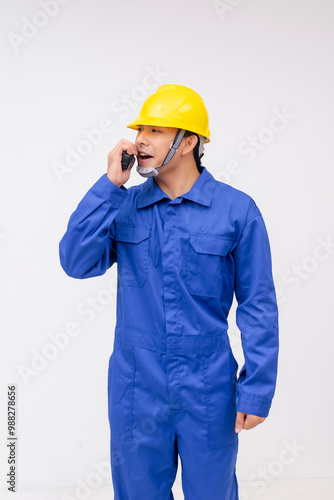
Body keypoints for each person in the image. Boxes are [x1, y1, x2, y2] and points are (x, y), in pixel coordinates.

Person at [59, 84, 279, 500]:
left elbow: (258, 304)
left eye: (157, 130)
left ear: (187, 142)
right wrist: (109, 186)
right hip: (135, 382)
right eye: (141, 129)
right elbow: (75, 261)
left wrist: (257, 388)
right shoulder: (123, 205)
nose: (141, 139)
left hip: (208, 383)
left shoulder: (237, 210)